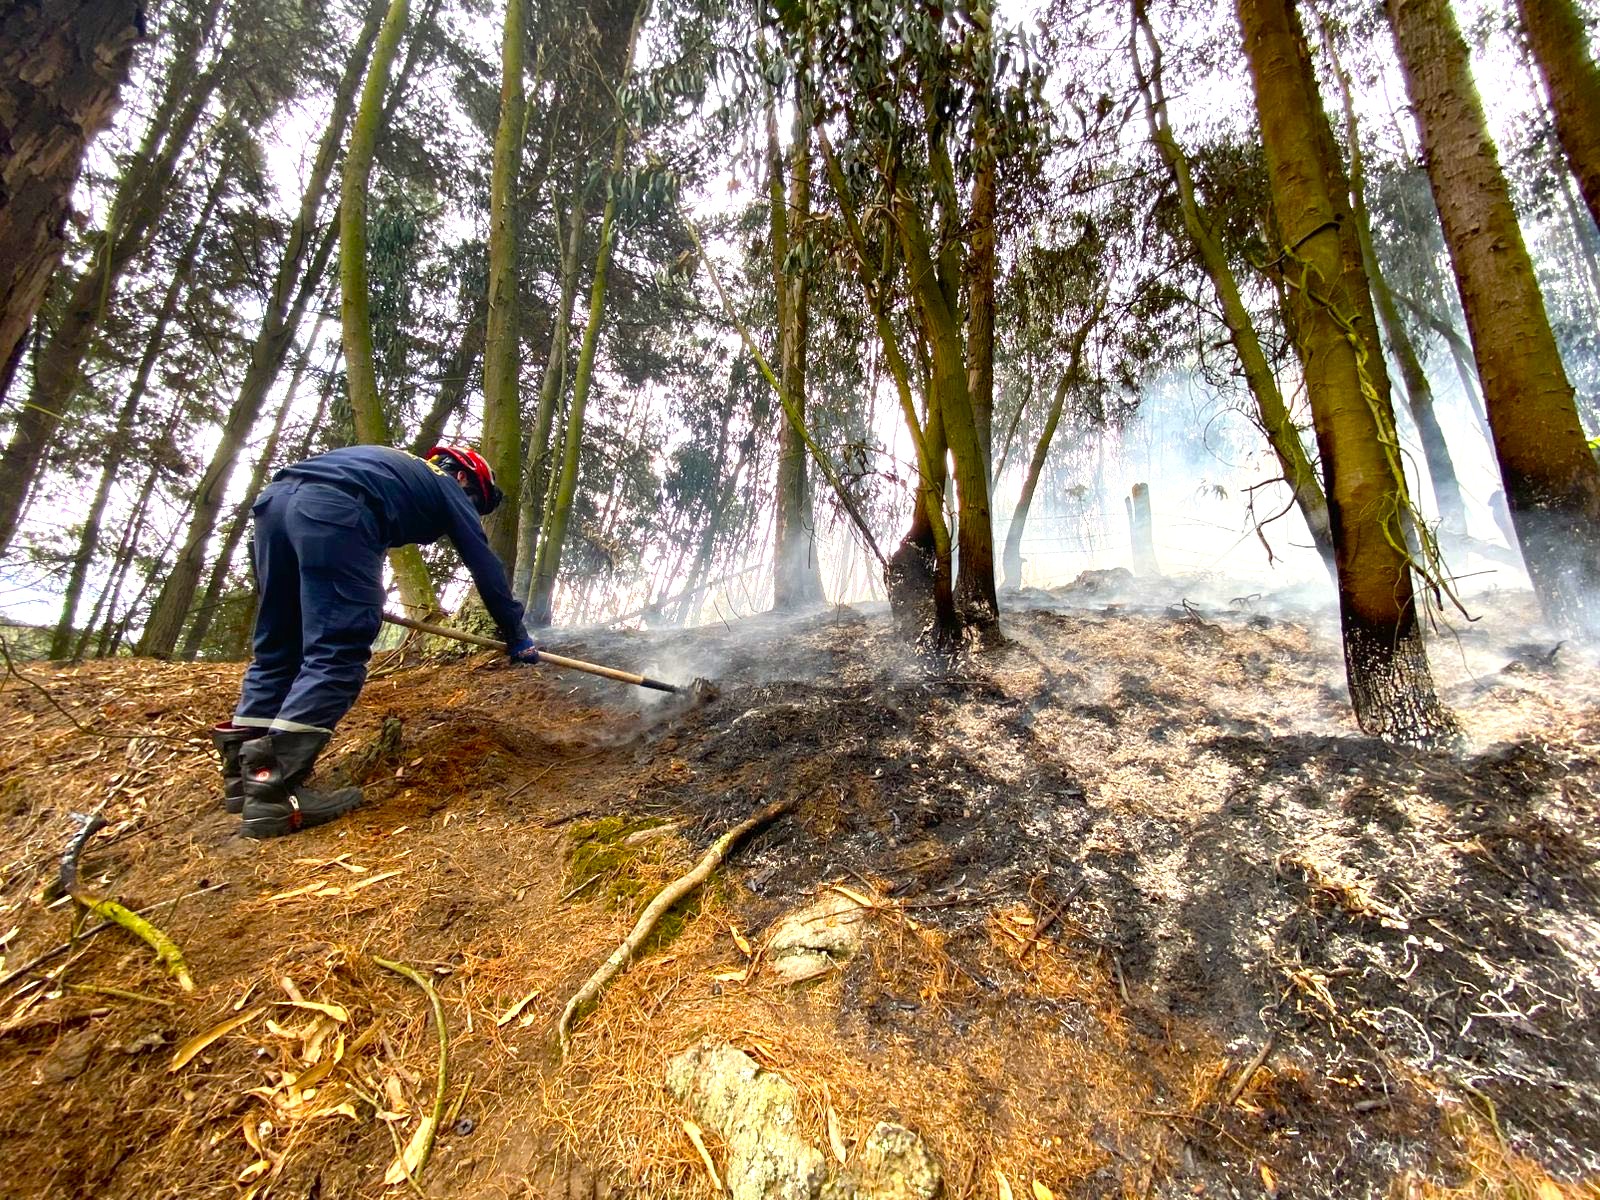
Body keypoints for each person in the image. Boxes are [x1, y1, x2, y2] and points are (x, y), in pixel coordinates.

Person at [210, 444, 541, 839]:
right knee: (338, 653)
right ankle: (272, 791)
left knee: (280, 650)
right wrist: (516, 634)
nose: (469, 511)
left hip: (274, 505)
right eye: (475, 503)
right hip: (334, 511)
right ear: (463, 476)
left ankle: (243, 780)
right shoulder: (446, 484)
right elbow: (484, 563)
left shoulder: (392, 470)